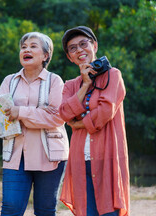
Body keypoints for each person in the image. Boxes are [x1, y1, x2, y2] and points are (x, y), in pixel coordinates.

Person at [0, 32, 69, 216]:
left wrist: (20, 112)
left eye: (33, 46)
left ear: (46, 55)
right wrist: (39, 113)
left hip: (50, 155)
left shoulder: (55, 81)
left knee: (45, 209)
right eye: (23, 47)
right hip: (15, 154)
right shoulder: (9, 81)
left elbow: (57, 117)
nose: (26, 49)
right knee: (10, 208)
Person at [59, 26, 130, 216]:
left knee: (109, 212)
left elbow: (106, 111)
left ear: (95, 46)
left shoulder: (113, 75)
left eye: (84, 44)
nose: (79, 50)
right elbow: (65, 113)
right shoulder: (70, 85)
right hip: (80, 160)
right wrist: (85, 84)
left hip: (108, 158)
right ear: (69, 57)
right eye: (73, 48)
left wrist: (79, 123)